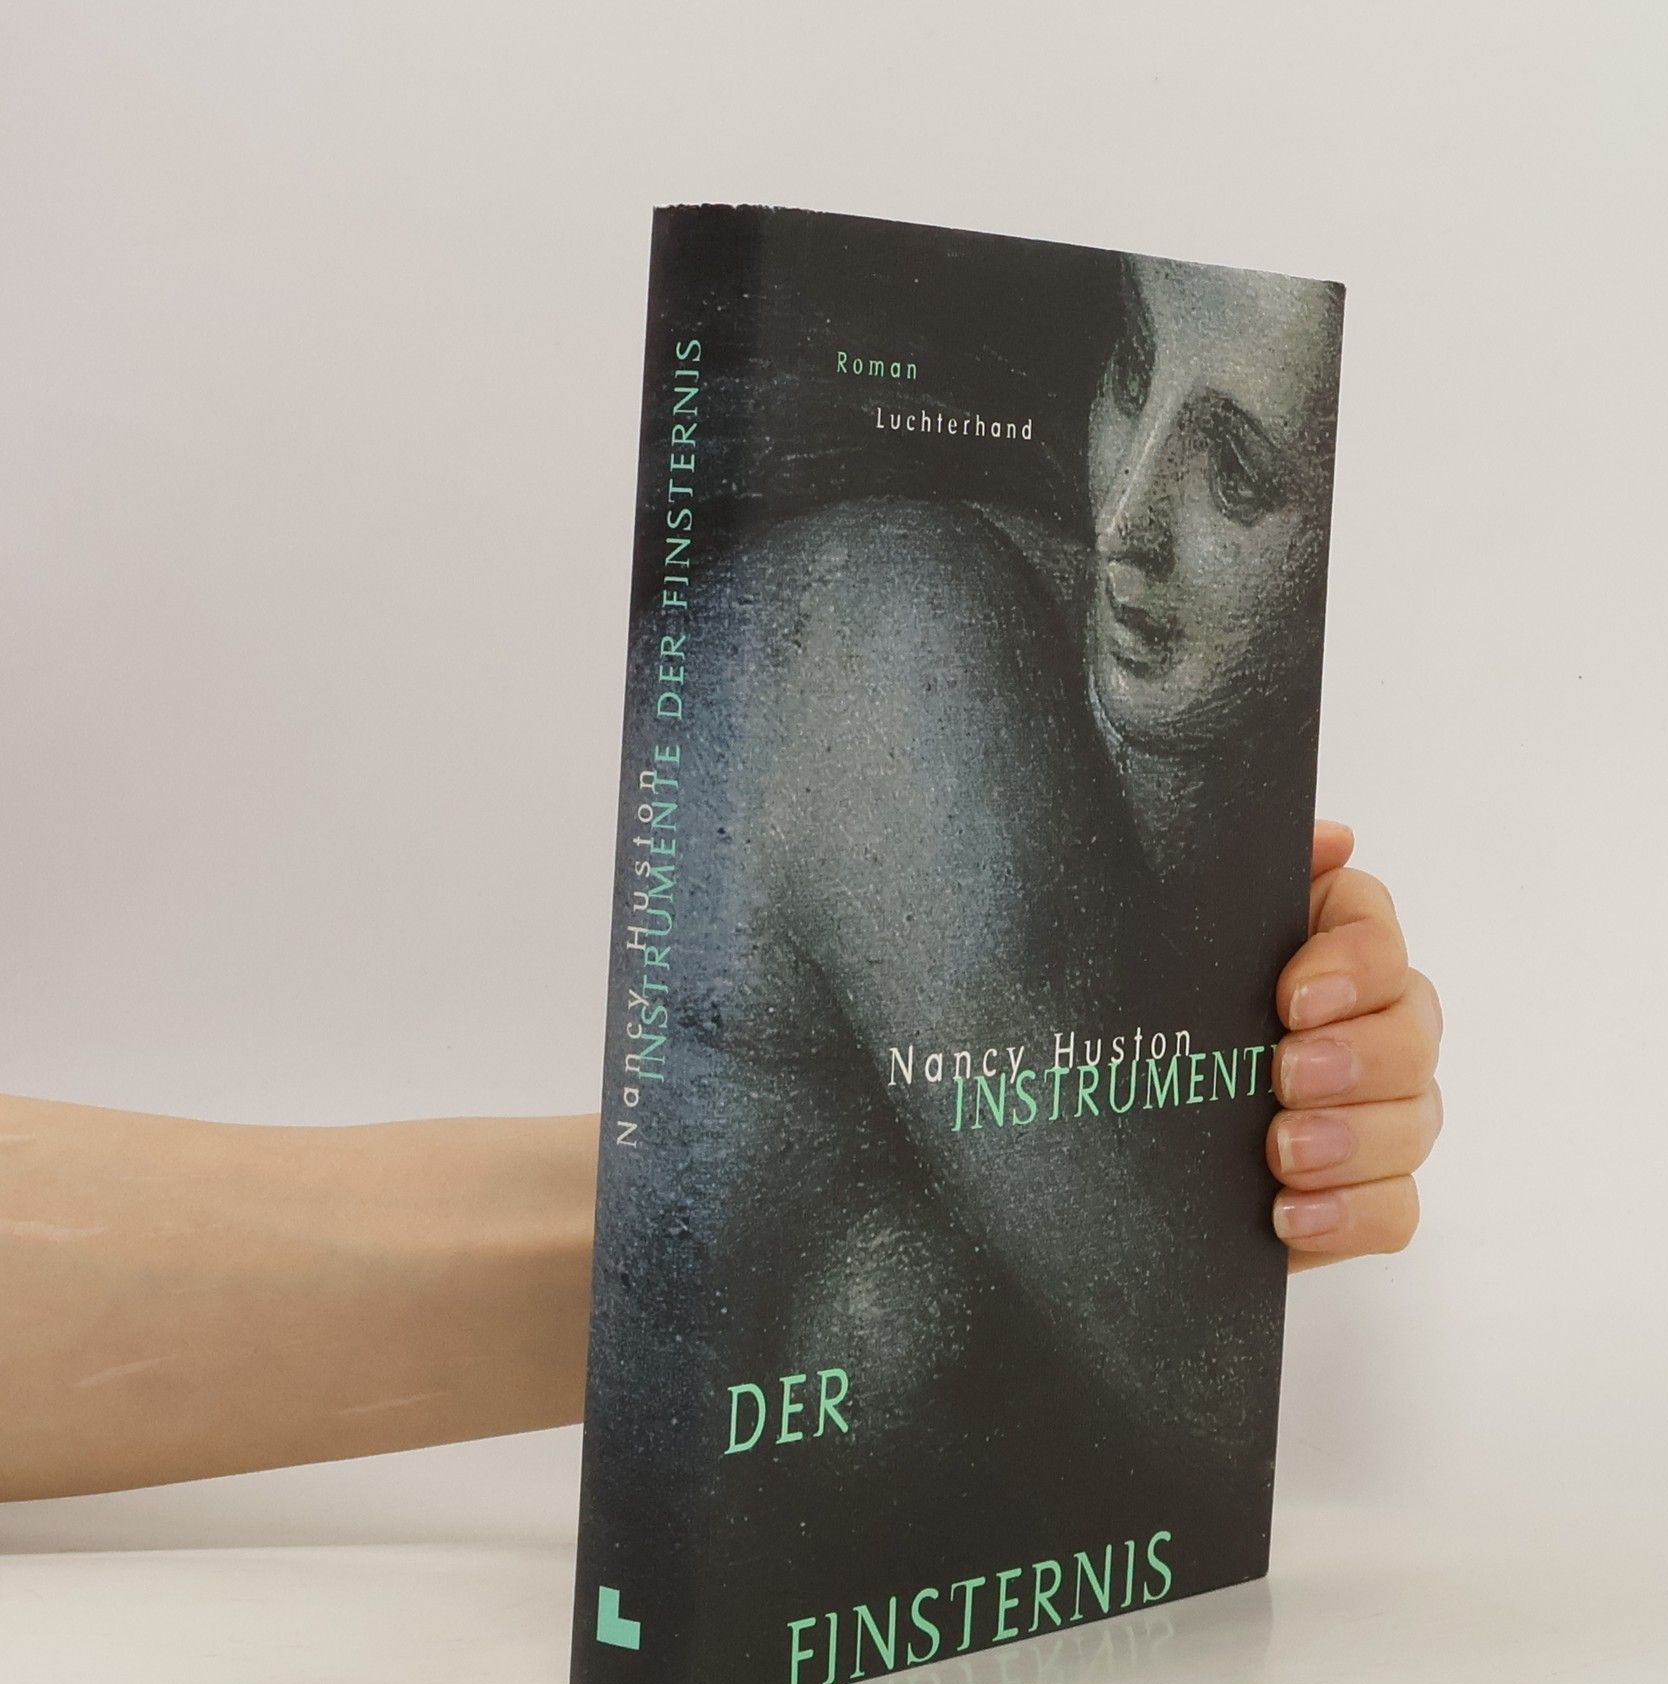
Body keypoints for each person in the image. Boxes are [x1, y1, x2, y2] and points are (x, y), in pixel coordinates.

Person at [0, 254, 1443, 1506]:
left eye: (1239, 476)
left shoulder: (1067, 707)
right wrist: (1182, 1226)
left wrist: (1224, 1167)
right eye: (1126, 367)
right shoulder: (905, 645)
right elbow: (1186, 1376)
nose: (1127, 510)